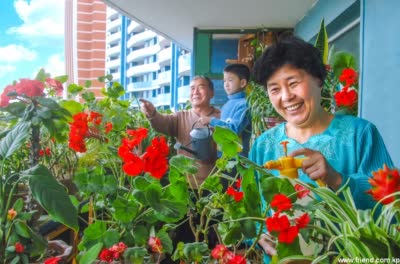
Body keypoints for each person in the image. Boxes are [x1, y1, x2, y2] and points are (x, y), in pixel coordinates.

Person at [250, 36, 393, 262]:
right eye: (274, 88)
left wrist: (338, 180)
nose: (286, 97)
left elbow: (392, 202)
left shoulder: (359, 134)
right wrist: (256, 236)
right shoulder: (262, 146)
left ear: (318, 79)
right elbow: (252, 210)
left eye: (293, 83)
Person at [140, 75, 221, 189]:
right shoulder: (180, 117)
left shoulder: (221, 118)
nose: (195, 92)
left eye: (201, 87)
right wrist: (152, 113)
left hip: (215, 186)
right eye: (192, 88)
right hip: (185, 186)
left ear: (212, 92)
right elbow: (161, 123)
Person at [199, 63, 252, 157]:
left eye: (230, 80)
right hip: (223, 157)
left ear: (242, 83)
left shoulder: (244, 104)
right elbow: (222, 129)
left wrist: (211, 120)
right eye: (224, 81)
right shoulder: (227, 104)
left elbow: (233, 130)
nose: (226, 84)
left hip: (238, 160)